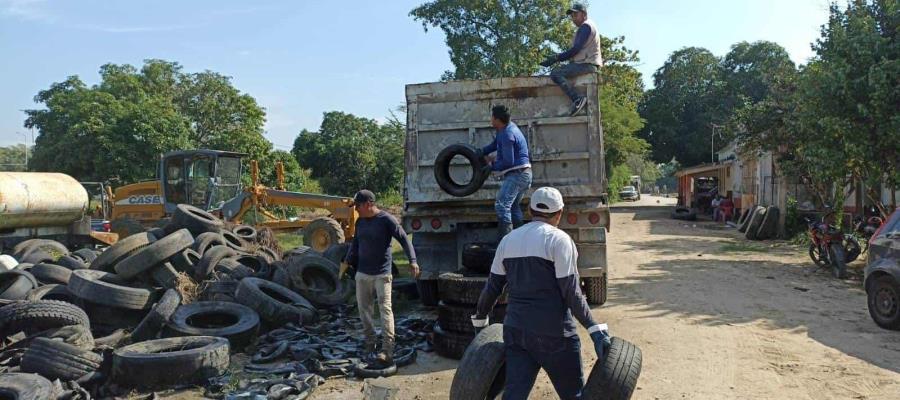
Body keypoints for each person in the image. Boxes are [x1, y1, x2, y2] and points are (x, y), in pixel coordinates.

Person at [471, 187, 611, 400]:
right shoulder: (560, 240)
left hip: (517, 333)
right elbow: (571, 292)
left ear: (530, 211)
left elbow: (492, 288)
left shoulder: (508, 241)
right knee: (573, 395)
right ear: (560, 213)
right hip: (556, 337)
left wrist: (480, 322)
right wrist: (594, 329)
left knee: (514, 396)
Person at [342, 189, 419, 367]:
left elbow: (404, 239)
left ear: (369, 204)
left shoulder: (386, 220)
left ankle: (387, 349)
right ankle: (370, 343)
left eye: (358, 206)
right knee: (364, 310)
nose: (357, 210)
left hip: (382, 274)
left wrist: (413, 261)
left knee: (385, 310)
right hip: (363, 273)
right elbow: (356, 243)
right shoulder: (361, 221)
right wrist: (348, 259)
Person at [540, 3, 603, 116]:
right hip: (586, 63)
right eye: (572, 16)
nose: (573, 18)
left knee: (556, 73)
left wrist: (556, 58)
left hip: (587, 64)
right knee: (561, 70)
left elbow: (576, 49)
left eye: (575, 15)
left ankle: (577, 99)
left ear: (584, 14)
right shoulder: (588, 26)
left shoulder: (585, 26)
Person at [481, 105, 532, 241]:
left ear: (497, 119)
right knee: (513, 206)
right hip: (523, 174)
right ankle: (520, 239)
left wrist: (491, 166)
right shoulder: (505, 129)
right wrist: (480, 152)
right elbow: (494, 145)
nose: (490, 119)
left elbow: (509, 162)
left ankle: (507, 243)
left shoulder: (508, 134)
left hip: (518, 174)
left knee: (502, 206)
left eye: (492, 116)